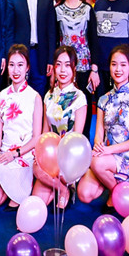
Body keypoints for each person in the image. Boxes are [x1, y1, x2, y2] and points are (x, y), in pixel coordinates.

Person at [77, 45, 129, 206]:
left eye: (123, 65)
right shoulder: (103, 99)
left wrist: (106, 152)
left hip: (126, 159)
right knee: (84, 194)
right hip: (105, 156)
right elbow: (99, 134)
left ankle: (115, 195)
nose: (118, 69)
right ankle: (116, 188)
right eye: (114, 64)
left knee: (95, 162)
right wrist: (99, 148)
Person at [0, 44, 42, 211]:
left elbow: (37, 137)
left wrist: (15, 154)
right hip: (4, 153)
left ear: (27, 67)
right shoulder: (1, 96)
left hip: (23, 155)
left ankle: (17, 186)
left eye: (20, 65)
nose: (16, 70)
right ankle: (11, 188)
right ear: (7, 67)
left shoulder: (35, 97)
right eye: (12, 65)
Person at [33, 46, 87, 208]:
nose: (63, 70)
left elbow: (77, 137)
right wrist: (40, 155)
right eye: (59, 64)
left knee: (57, 180)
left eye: (67, 65)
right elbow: (45, 131)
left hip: (69, 157)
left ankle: (65, 185)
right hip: (51, 156)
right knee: (38, 200)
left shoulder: (79, 98)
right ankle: (62, 189)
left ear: (74, 69)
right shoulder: (49, 95)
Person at [55, 0, 99, 140]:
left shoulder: (87, 9)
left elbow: (94, 41)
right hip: (64, 68)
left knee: (83, 107)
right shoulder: (57, 10)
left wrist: (94, 70)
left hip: (84, 68)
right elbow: (54, 40)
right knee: (63, 108)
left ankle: (83, 142)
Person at [8, 0, 58, 98]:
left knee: (39, 93)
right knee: (19, 93)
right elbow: (9, 31)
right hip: (20, 55)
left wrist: (51, 59)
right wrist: (12, 57)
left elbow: (51, 31)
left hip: (40, 54)